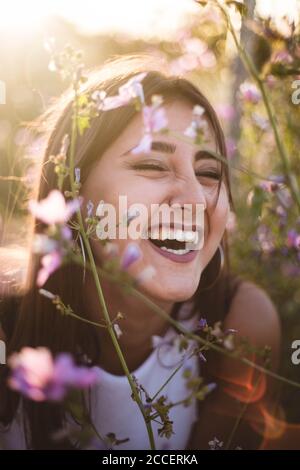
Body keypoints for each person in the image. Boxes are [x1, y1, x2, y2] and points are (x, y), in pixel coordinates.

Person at [0, 54, 281, 450]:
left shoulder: (243, 326)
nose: (195, 198)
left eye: (209, 173)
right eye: (152, 164)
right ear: (72, 191)